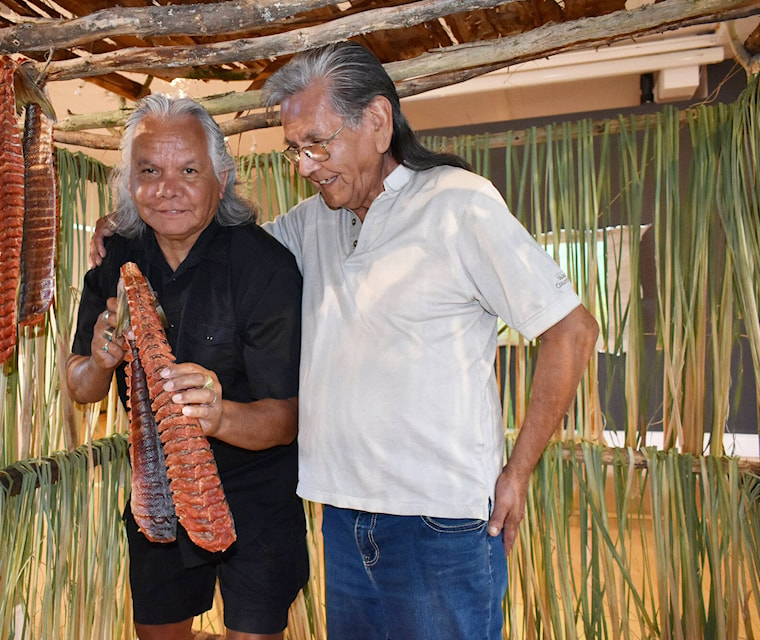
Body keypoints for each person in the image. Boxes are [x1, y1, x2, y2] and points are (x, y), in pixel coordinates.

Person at [90, 42, 599, 640]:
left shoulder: (458, 204)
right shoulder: (315, 222)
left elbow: (572, 329)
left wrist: (518, 472)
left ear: (378, 123)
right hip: (344, 516)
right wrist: (126, 226)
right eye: (294, 149)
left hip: (438, 523)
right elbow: (206, 238)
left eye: (318, 143)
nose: (305, 164)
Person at [66, 93, 308, 640]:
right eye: (149, 170)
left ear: (221, 180)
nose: (166, 188)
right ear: (129, 181)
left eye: (189, 170)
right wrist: (102, 362)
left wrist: (220, 417)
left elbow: (287, 416)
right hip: (159, 494)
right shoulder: (116, 263)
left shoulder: (263, 267)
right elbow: (79, 385)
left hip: (256, 495)